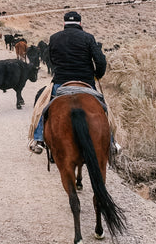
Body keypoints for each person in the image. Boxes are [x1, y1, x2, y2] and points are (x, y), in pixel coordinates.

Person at [29, 10, 118, 155]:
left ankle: (38, 139)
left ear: (64, 23)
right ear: (80, 23)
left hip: (61, 81)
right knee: (103, 108)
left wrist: (60, 68)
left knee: (43, 106)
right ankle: (112, 142)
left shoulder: (54, 37)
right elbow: (100, 60)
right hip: (86, 81)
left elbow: (50, 59)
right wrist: (97, 75)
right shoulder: (88, 38)